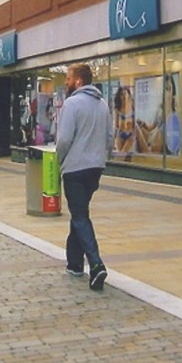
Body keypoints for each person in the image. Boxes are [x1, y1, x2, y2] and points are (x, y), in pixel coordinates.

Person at [57, 63, 113, 291]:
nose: (66, 82)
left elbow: (63, 140)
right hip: (95, 168)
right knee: (79, 213)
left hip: (75, 168)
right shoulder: (103, 106)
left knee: (80, 216)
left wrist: (60, 161)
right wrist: (102, 158)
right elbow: (110, 137)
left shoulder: (72, 104)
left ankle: (96, 264)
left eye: (68, 78)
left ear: (78, 81)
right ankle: (74, 264)